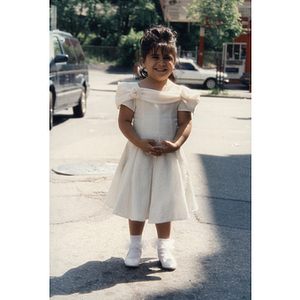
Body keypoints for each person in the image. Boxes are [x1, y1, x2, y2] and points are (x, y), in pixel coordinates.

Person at [106, 25, 200, 270]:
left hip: (167, 156)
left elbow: (185, 123)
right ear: (143, 61)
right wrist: (138, 142)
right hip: (140, 154)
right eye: (155, 57)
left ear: (175, 61)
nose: (161, 62)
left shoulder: (180, 94)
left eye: (167, 57)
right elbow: (124, 121)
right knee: (137, 198)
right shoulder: (134, 91)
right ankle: (135, 245)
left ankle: (164, 246)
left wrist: (176, 144)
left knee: (165, 200)